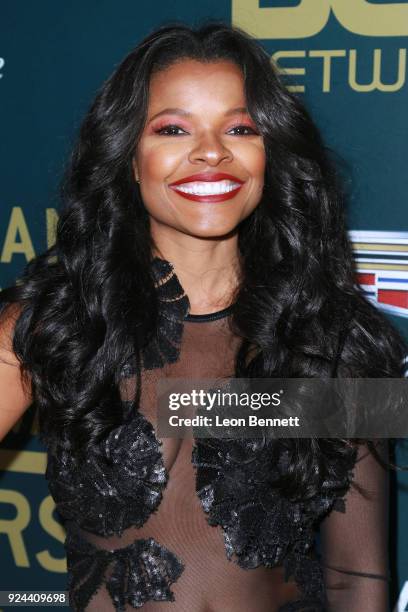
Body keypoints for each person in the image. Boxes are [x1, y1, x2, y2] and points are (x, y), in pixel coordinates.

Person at [0, 21, 406, 612]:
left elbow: (357, 578)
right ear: (128, 158)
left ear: (271, 155)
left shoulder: (337, 339)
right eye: (173, 128)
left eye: (240, 127)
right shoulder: (54, 323)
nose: (211, 151)